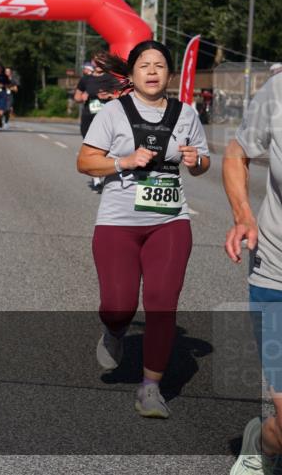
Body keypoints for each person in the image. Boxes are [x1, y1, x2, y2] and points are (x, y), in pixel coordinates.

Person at [76, 40, 210, 419]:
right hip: (118, 222)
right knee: (118, 306)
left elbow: (202, 164)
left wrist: (196, 159)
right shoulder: (113, 113)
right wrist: (124, 161)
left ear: (169, 74)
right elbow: (85, 162)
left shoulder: (186, 115)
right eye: (144, 65)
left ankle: (150, 388)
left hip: (170, 221)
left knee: (162, 304)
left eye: (160, 65)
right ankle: (115, 331)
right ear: (132, 74)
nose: (152, 71)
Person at [222, 74, 282, 475]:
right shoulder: (278, 90)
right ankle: (262, 441)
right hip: (276, 273)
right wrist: (244, 214)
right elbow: (236, 153)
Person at [75, 59, 121, 190]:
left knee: (108, 147)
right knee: (91, 146)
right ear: (93, 63)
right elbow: (76, 97)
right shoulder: (86, 79)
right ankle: (96, 178)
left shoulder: (111, 79)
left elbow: (122, 95)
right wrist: (82, 97)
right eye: (97, 61)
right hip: (89, 116)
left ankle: (104, 176)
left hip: (107, 117)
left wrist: (109, 96)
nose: (99, 64)